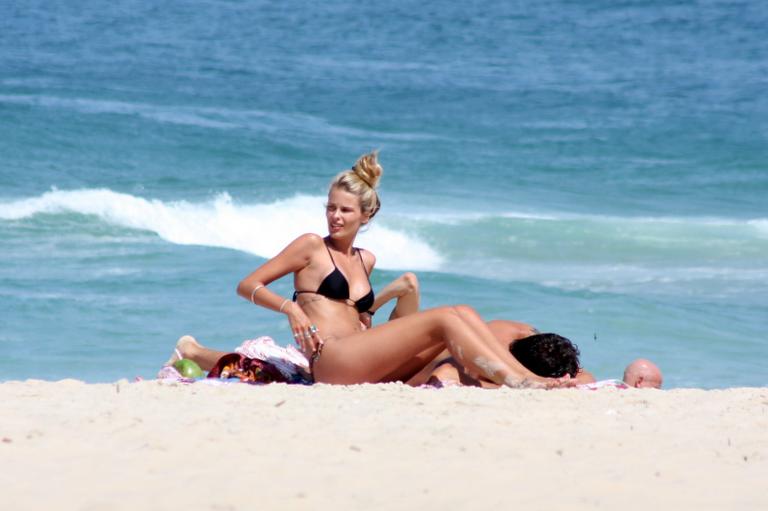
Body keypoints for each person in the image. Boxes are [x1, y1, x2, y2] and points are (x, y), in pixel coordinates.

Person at [171, 151, 570, 389]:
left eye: (345, 210)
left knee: (463, 312)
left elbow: (360, 318)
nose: (335, 216)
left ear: (367, 214)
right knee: (449, 316)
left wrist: (394, 295)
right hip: (332, 360)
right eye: (331, 207)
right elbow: (247, 284)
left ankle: (523, 376)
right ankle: (519, 381)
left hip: (362, 357)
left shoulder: (366, 260)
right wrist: (290, 308)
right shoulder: (310, 246)